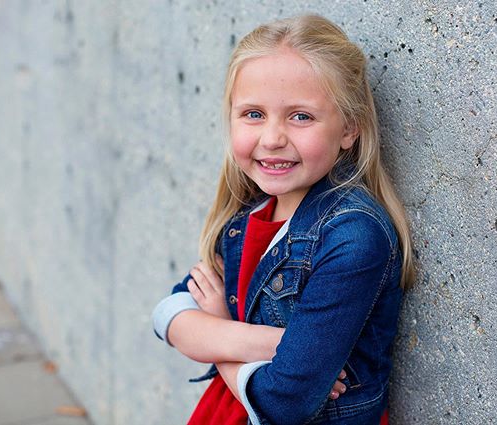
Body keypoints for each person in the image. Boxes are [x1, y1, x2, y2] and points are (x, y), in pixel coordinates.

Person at [152, 14, 416, 425]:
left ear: (349, 129)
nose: (272, 138)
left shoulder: (354, 236)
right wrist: (276, 343)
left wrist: (217, 334)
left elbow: (284, 402)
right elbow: (169, 314)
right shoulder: (248, 212)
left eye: (300, 116)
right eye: (253, 114)